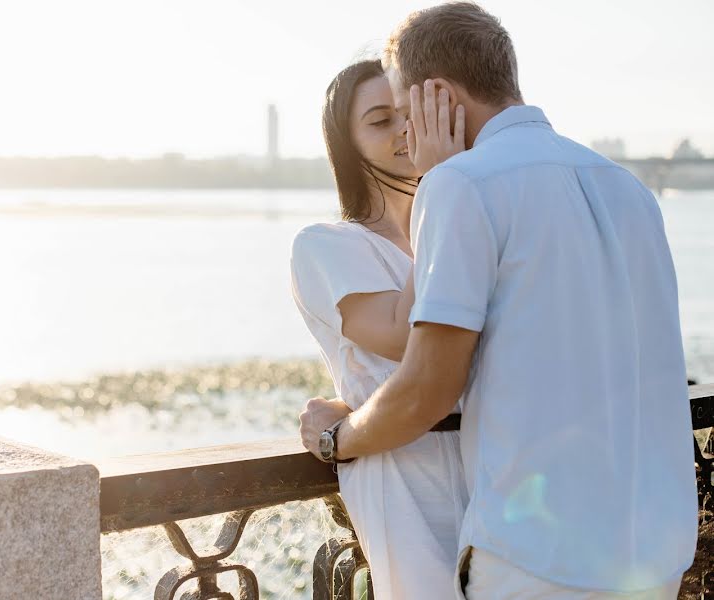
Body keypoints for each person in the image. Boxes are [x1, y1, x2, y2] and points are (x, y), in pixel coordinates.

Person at [299, 3, 698, 599]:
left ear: (436, 94)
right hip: (654, 555)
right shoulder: (628, 187)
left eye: (406, 111)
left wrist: (338, 439)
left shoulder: (461, 184)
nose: (408, 133)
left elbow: (427, 387)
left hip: (541, 561)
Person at [290, 59, 468, 599]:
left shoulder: (458, 231)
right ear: (347, 145)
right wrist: (444, 185)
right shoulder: (327, 245)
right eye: (379, 120)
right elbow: (403, 335)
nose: (404, 130)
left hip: (493, 472)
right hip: (404, 477)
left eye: (410, 113)